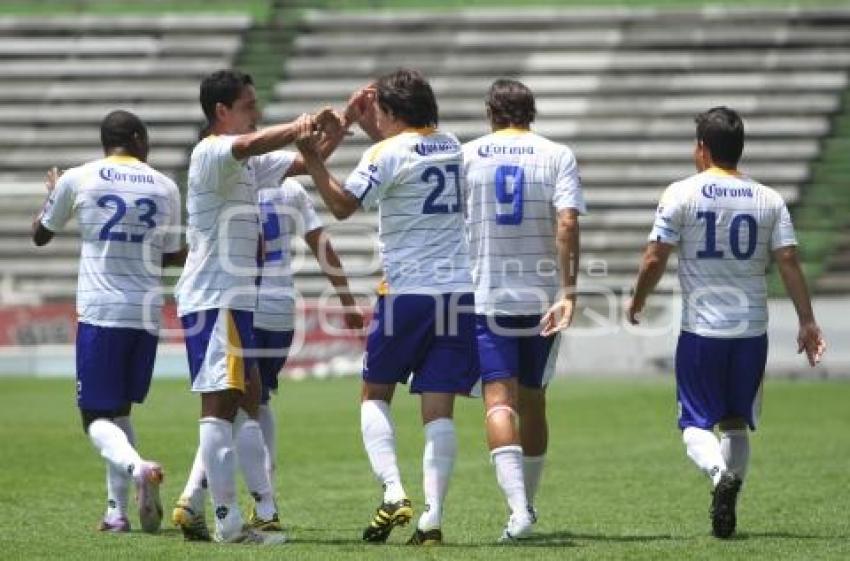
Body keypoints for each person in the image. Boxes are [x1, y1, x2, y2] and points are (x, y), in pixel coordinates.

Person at [171, 69, 360, 544]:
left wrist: (333, 126)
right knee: (218, 406)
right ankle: (228, 522)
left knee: (248, 398)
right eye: (249, 104)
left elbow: (302, 163)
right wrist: (300, 125)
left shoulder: (245, 163)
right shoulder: (212, 151)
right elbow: (253, 144)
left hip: (237, 300)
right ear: (222, 111)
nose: (256, 111)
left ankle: (258, 512)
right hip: (215, 297)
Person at [294, 68, 478, 546]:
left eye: (380, 111)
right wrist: (359, 119)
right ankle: (432, 522)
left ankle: (394, 492)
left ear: (393, 113)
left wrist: (314, 157)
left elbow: (341, 205)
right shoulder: (452, 143)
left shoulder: (386, 152)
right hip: (458, 292)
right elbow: (399, 148)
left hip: (407, 294)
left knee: (374, 395)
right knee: (439, 412)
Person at [626, 106, 827, 539]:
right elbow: (788, 259)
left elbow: (654, 256)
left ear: (702, 149)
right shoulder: (769, 198)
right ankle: (728, 497)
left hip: (702, 329)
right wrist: (807, 320)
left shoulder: (682, 192)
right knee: (736, 421)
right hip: (751, 331)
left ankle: (720, 477)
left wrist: (638, 298)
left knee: (695, 424)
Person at [32, 110, 183, 534]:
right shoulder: (166, 185)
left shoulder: (79, 178)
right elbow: (169, 254)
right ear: (136, 138)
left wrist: (53, 195)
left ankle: (138, 467)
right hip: (147, 313)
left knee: (93, 418)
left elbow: (40, 235)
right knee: (119, 412)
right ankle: (116, 513)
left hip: (102, 311)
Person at [462, 79, 584, 540]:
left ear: (491, 113)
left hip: (486, 295)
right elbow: (567, 222)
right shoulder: (557, 155)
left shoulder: (468, 155)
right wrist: (568, 291)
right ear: (531, 113)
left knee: (498, 401)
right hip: (543, 300)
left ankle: (518, 512)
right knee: (534, 401)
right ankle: (527, 503)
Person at [253, 176, 364, 482]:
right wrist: (347, 299)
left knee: (223, 405)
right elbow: (320, 244)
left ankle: (195, 495)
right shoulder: (290, 187)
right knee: (258, 399)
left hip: (238, 305)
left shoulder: (226, 178)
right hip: (279, 308)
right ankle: (266, 498)